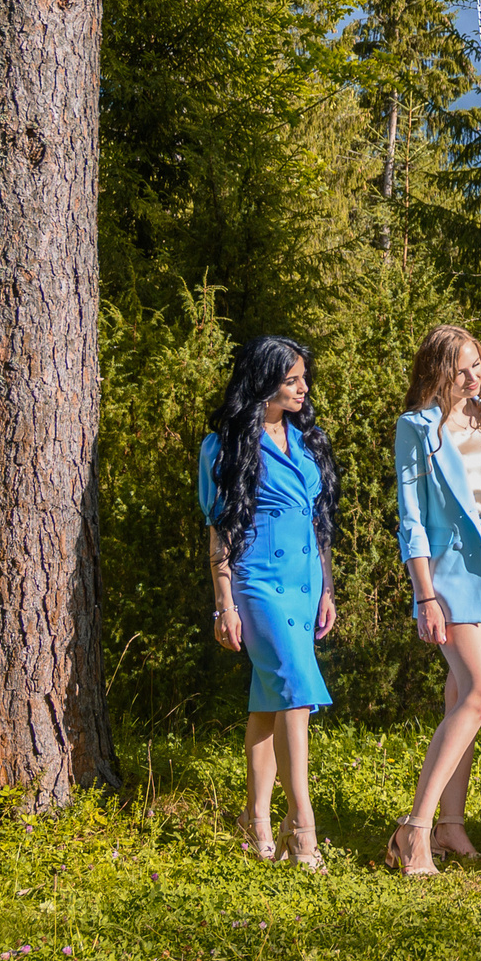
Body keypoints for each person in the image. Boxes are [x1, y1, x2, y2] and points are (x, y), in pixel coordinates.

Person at [385, 323, 481, 876]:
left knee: (461, 695)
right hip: (450, 576)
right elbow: (412, 520)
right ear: (439, 371)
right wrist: (424, 594)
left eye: (479, 365)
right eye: (463, 368)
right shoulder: (417, 429)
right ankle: (415, 830)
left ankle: (451, 826)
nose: (474, 377)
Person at [199, 335, 340, 872]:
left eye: (304, 378)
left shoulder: (306, 440)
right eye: (292, 380)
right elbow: (220, 530)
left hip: (304, 583)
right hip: (256, 582)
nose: (304, 388)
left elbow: (319, 522)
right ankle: (300, 826)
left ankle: (255, 824)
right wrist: (224, 604)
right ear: (263, 383)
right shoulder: (225, 445)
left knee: (268, 699)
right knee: (296, 690)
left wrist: (328, 587)